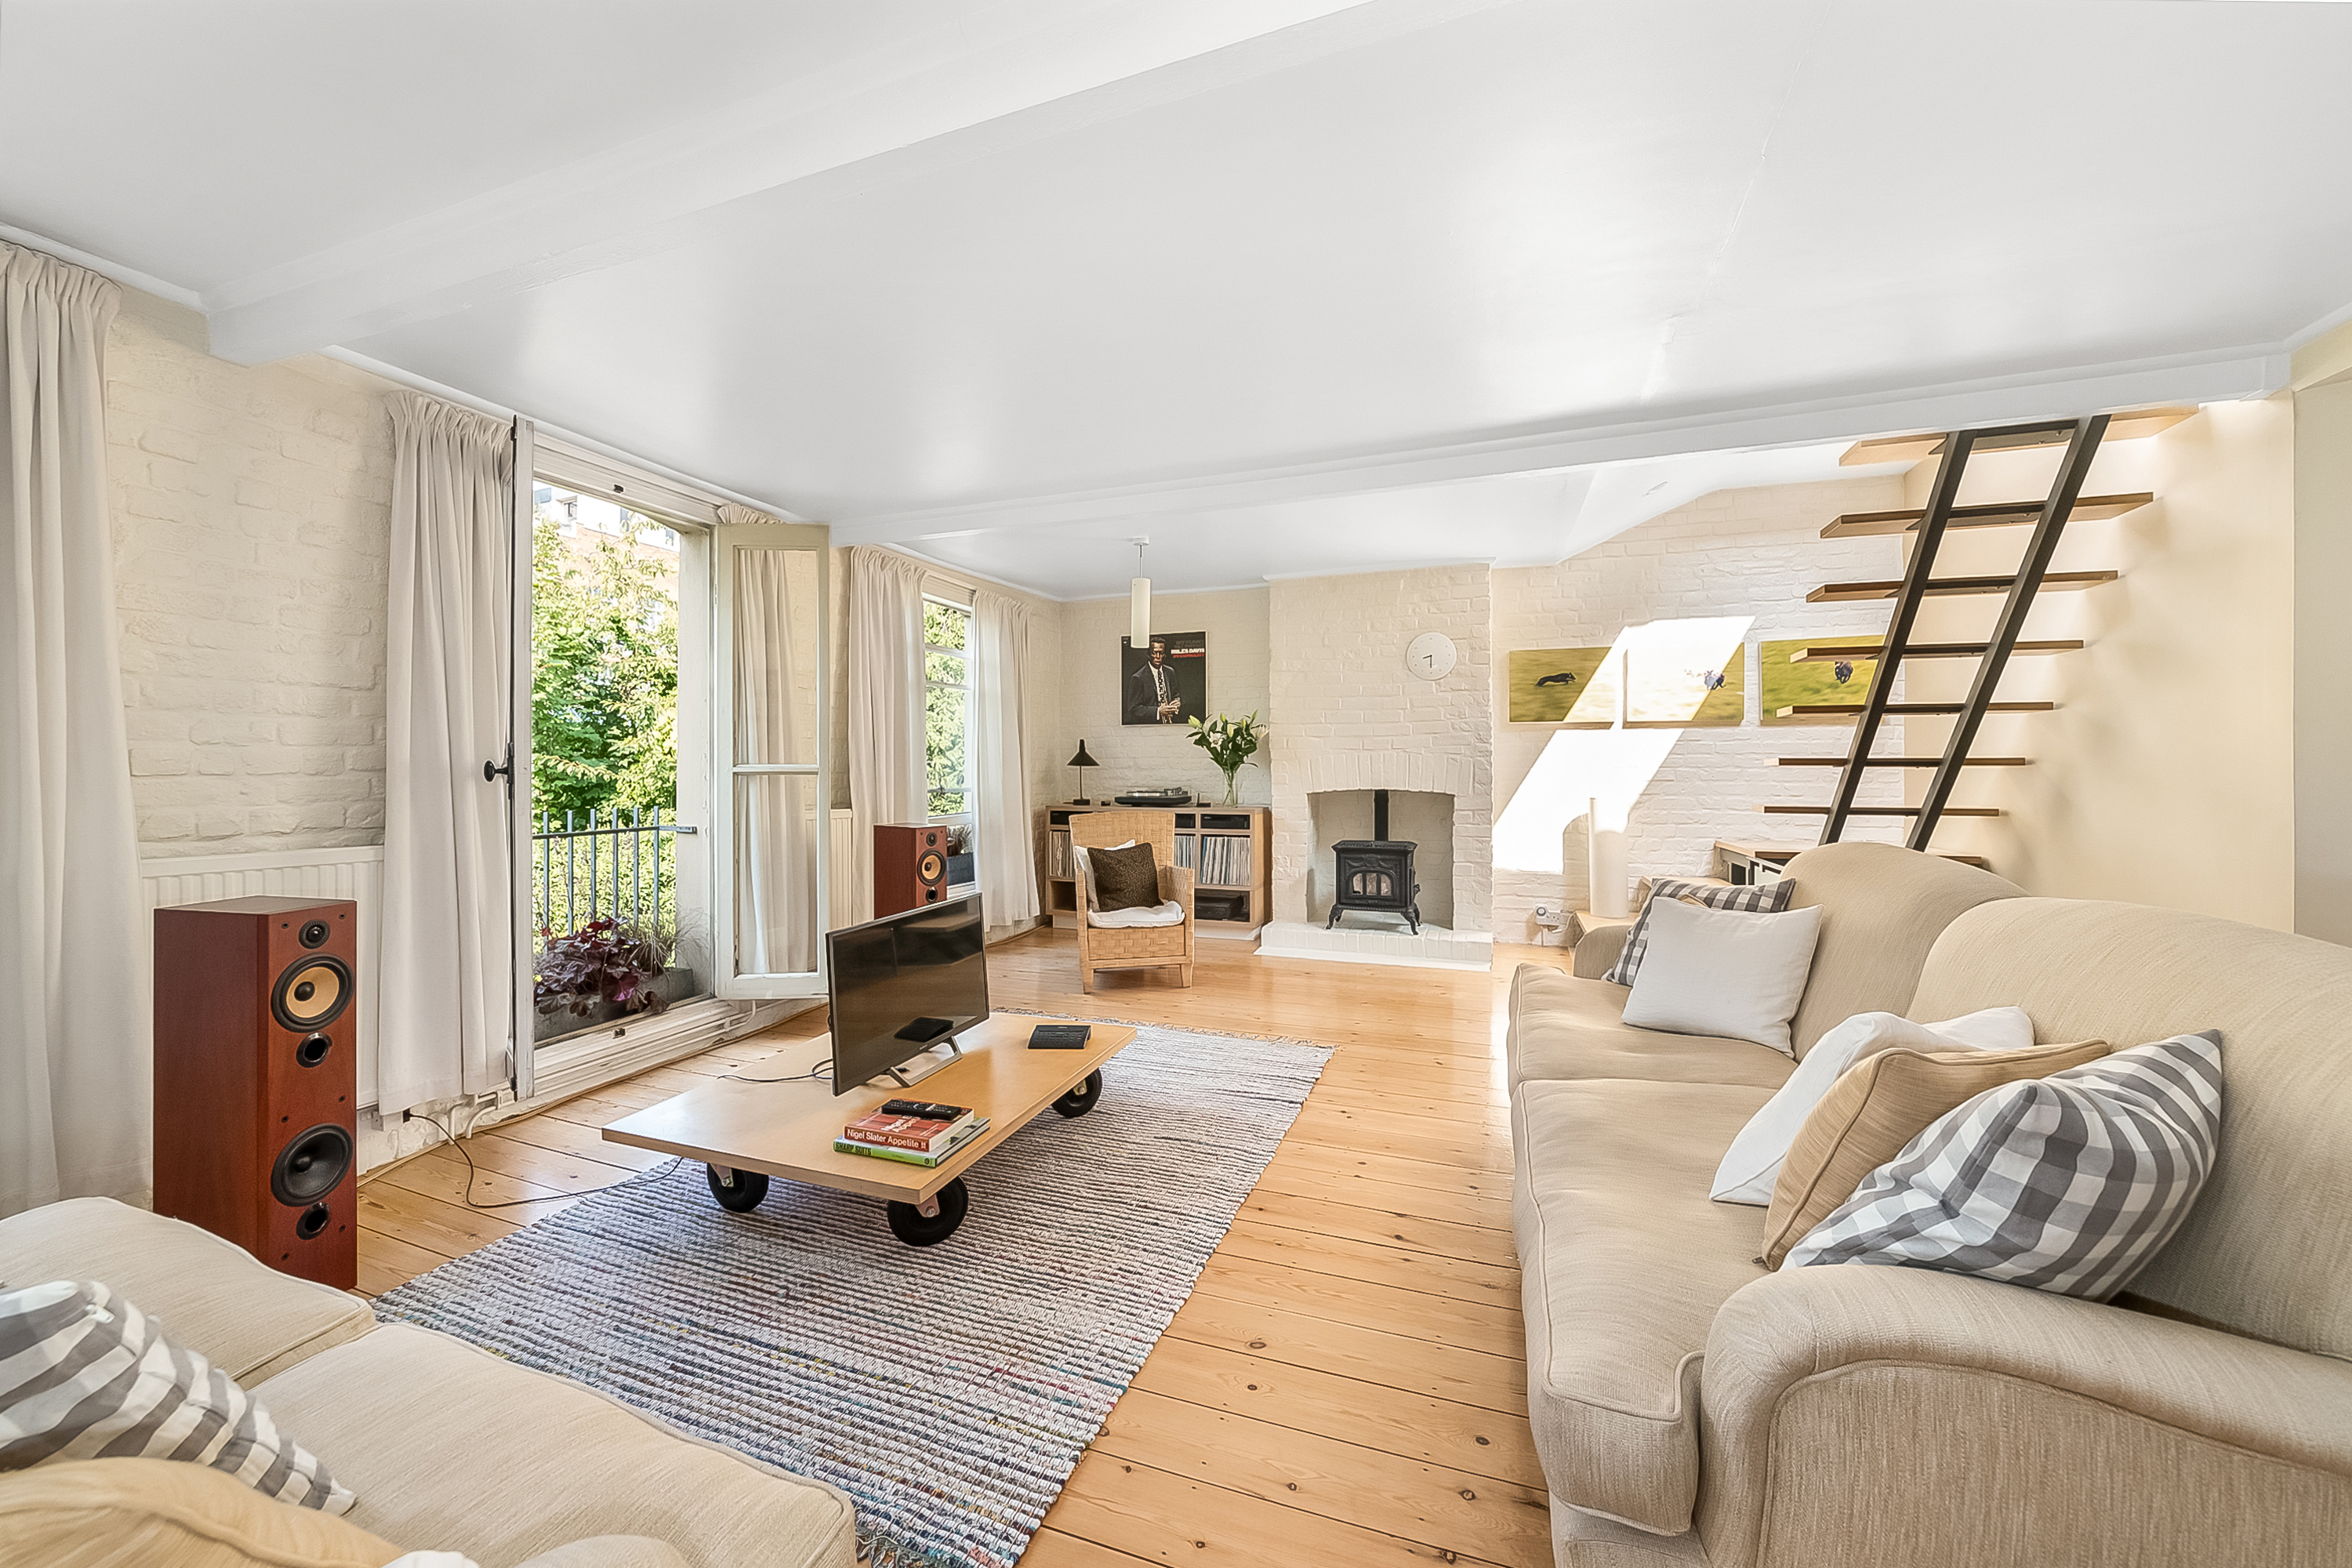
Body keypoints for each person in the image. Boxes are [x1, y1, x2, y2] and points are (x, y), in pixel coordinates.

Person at [1125, 637, 1185, 724]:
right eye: (1155, 653)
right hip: (1150, 726)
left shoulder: (1170, 672)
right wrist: (1157, 712)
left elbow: (1176, 694)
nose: (1158, 657)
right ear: (1149, 654)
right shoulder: (1138, 678)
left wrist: (1177, 702)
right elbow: (1133, 710)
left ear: (1165, 654)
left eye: (1161, 653)